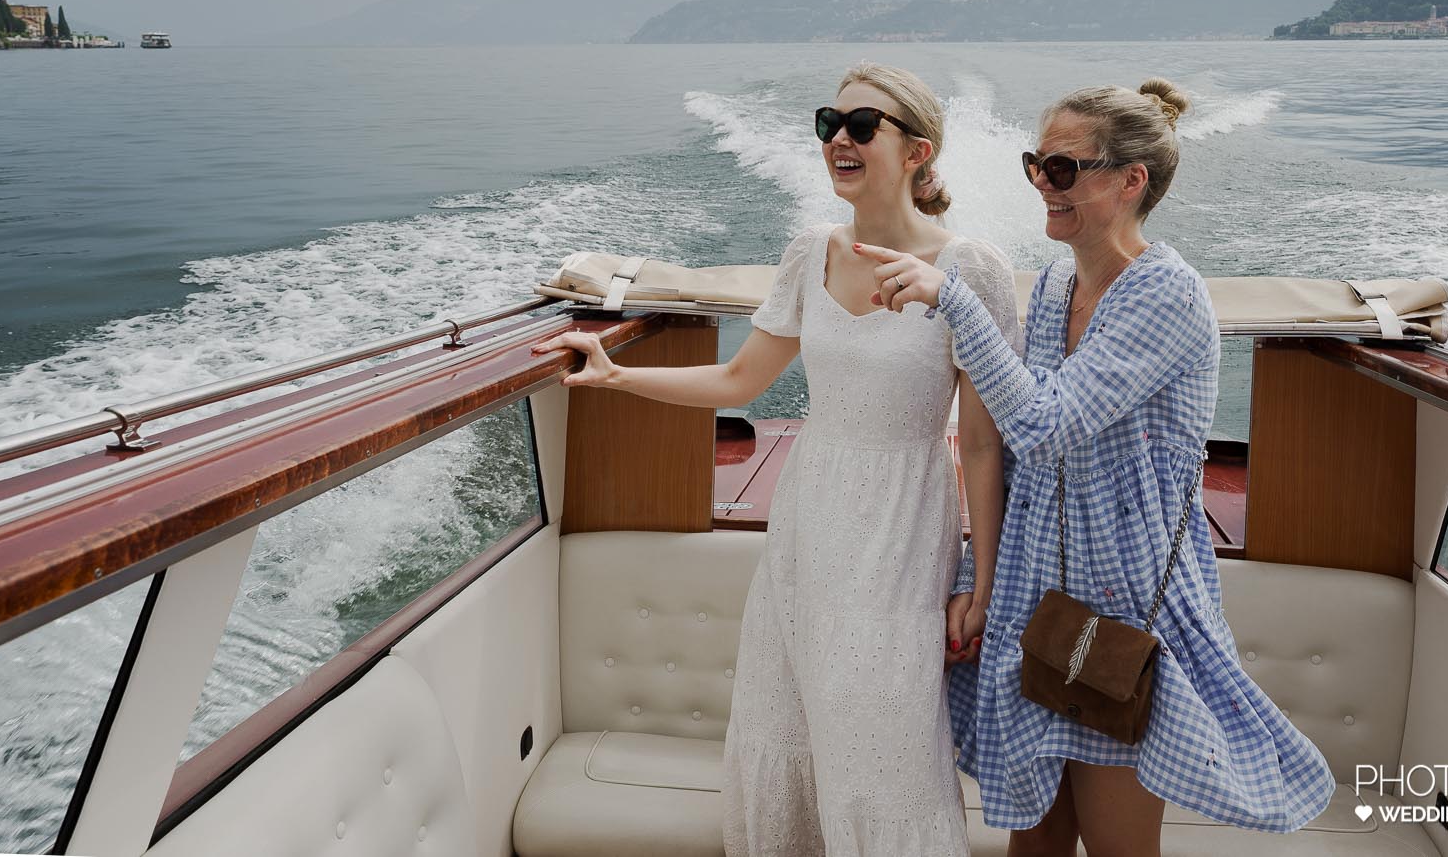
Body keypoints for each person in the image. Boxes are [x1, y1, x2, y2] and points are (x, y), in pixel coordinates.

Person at [535, 63, 1018, 856]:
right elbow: (741, 378)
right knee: (787, 726)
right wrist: (616, 375)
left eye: (863, 127)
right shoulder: (808, 253)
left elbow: (981, 439)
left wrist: (983, 584)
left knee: (888, 750)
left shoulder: (972, 271)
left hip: (903, 530)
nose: (839, 141)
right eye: (830, 123)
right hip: (809, 525)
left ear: (917, 151)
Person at [858, 79, 1335, 857]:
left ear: (1130, 179)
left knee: (1118, 845)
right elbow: (1017, 456)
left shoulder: (1168, 295)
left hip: (1122, 614)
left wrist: (955, 300)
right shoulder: (1053, 286)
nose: (1044, 184)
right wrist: (974, 582)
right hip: (1033, 604)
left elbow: (1047, 424)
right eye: (1036, 164)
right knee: (1035, 844)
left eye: (1064, 168)